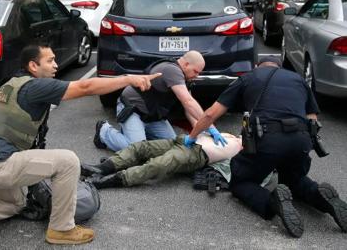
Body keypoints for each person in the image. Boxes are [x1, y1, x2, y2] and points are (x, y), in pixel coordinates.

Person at [0, 44, 161, 245]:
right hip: (1, 165)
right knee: (68, 161)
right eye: (49, 61)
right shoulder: (35, 86)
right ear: (33, 65)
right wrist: (129, 79)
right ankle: (61, 229)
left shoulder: (9, 86)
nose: (56, 65)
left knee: (15, 202)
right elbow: (85, 87)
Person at [188, 55, 347, 237]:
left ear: (257, 66)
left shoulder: (248, 77)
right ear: (279, 67)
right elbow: (313, 119)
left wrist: (192, 137)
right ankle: (322, 197)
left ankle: (272, 201)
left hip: (267, 139)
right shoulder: (298, 80)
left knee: (241, 182)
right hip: (300, 139)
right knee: (295, 180)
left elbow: (210, 114)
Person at [94, 50, 227, 151]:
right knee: (137, 150)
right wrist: (211, 127)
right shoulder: (172, 70)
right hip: (132, 110)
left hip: (152, 116)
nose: (197, 76)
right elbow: (188, 102)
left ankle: (138, 133)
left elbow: (189, 110)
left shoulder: (185, 79)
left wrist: (200, 130)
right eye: (196, 71)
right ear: (186, 64)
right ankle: (104, 132)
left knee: (173, 145)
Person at [81, 132, 242, 189]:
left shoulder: (241, 152)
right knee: (140, 147)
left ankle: (105, 182)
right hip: (182, 140)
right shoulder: (231, 135)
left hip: (197, 154)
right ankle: (101, 168)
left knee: (158, 165)